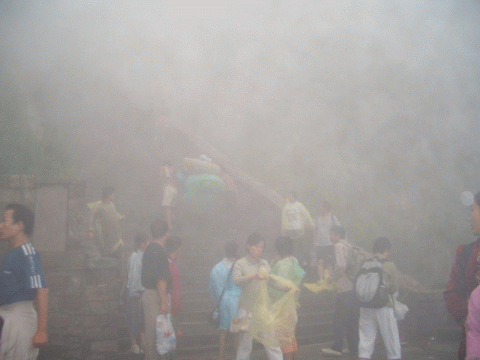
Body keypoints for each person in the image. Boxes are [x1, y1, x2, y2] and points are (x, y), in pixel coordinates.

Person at [0, 203, 49, 360]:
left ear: (19, 225)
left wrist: (41, 330)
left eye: (5, 220)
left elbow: (42, 289)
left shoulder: (28, 253)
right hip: (6, 318)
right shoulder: (13, 254)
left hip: (19, 321)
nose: (1, 225)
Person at [232, 233, 284, 360]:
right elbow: (237, 281)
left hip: (264, 309)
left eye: (261, 248)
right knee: (245, 345)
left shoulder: (264, 263)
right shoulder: (240, 263)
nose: (259, 250)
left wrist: (288, 288)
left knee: (272, 343)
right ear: (248, 246)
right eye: (256, 247)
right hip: (247, 310)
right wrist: (251, 276)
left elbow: (272, 280)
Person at [445, 191, 480, 360]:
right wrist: (469, 318)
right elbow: (453, 291)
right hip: (474, 338)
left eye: (472, 210)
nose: (469, 217)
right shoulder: (465, 253)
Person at [358, 237, 401, 360]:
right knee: (391, 340)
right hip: (384, 306)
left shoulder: (365, 264)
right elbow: (393, 288)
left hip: (365, 305)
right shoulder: (389, 264)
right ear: (386, 250)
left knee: (365, 340)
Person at [321, 226, 358, 358]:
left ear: (337, 235)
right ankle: (353, 347)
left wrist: (331, 278)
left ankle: (337, 347)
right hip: (353, 287)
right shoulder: (350, 246)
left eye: (331, 234)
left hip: (344, 287)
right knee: (351, 320)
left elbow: (341, 266)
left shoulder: (338, 246)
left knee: (339, 319)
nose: (330, 237)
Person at [269, 236, 306, 360]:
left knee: (285, 340)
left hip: (282, 307)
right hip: (291, 304)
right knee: (290, 336)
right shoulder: (294, 261)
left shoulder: (281, 264)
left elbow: (272, 282)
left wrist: (273, 262)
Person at [141, 219, 172, 360]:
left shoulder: (149, 249)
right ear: (165, 234)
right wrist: (164, 301)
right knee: (156, 337)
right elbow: (160, 279)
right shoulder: (159, 251)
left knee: (153, 336)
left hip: (149, 295)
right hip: (156, 296)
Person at [208, 241, 242, 360]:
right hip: (237, 302)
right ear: (237, 250)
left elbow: (213, 287)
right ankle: (238, 357)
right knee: (236, 334)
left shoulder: (217, 268)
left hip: (223, 303)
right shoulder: (239, 266)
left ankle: (221, 357)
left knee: (223, 332)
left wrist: (218, 300)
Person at [126, 232, 149, 354]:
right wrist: (133, 292)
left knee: (141, 318)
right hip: (134, 292)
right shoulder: (135, 256)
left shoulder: (144, 256)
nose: (148, 244)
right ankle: (134, 344)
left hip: (142, 292)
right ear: (141, 243)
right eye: (146, 241)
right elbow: (132, 275)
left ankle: (143, 343)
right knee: (133, 318)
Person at [87, 186, 125, 259]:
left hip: (114, 236)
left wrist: (121, 217)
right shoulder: (99, 205)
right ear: (109, 195)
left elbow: (114, 215)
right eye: (113, 194)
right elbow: (91, 216)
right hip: (105, 235)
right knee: (107, 254)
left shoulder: (111, 204)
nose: (114, 196)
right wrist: (90, 230)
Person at [281, 191, 315, 267]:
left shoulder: (299, 205)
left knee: (299, 245)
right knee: (291, 246)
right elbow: (283, 218)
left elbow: (306, 214)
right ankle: (293, 262)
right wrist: (283, 229)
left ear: (294, 197)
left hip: (298, 229)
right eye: (288, 196)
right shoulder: (286, 206)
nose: (289, 198)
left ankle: (300, 261)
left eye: (290, 196)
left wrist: (311, 223)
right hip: (289, 230)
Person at [314, 201, 341, 281]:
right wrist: (314, 241)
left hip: (330, 244)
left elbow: (339, 227)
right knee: (320, 262)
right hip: (319, 244)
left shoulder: (332, 217)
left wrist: (338, 239)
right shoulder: (318, 218)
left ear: (325, 208)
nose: (320, 209)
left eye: (321, 207)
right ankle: (321, 280)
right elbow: (315, 229)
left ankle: (329, 280)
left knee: (330, 263)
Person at [166, 236, 183, 336]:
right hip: (170, 307)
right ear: (177, 248)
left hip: (175, 308)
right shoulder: (167, 263)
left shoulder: (173, 263)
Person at [160, 162, 177, 231]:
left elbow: (162, 175)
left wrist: (162, 169)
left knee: (167, 207)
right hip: (174, 189)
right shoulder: (173, 170)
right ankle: (173, 219)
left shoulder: (166, 168)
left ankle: (169, 224)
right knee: (171, 207)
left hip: (169, 189)